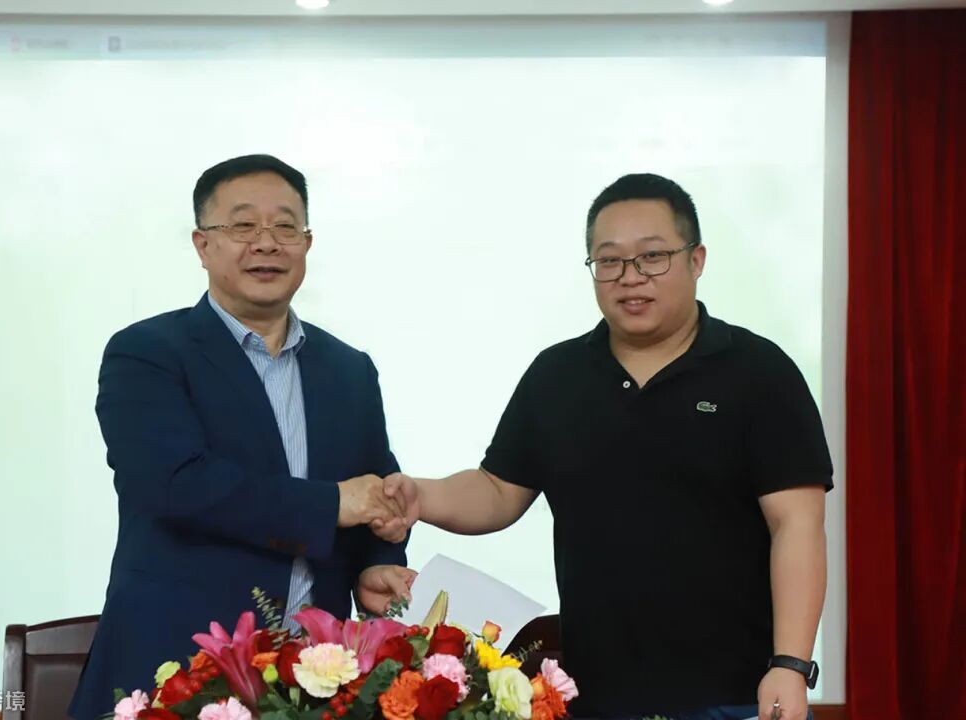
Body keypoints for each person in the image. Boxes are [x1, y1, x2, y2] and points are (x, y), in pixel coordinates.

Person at [377, 174, 831, 720]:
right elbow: (497, 490)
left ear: (697, 260)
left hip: (735, 694)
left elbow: (797, 525)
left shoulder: (760, 372)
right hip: (592, 695)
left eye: (653, 257)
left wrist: (791, 664)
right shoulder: (558, 375)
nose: (630, 277)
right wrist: (419, 497)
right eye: (609, 261)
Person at [69, 154, 413, 720]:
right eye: (244, 225)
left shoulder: (349, 369)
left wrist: (373, 565)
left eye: (285, 227)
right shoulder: (147, 353)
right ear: (203, 245)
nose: (267, 243)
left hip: (316, 681)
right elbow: (176, 486)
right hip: (178, 669)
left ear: (307, 243)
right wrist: (333, 504)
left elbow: (372, 489)